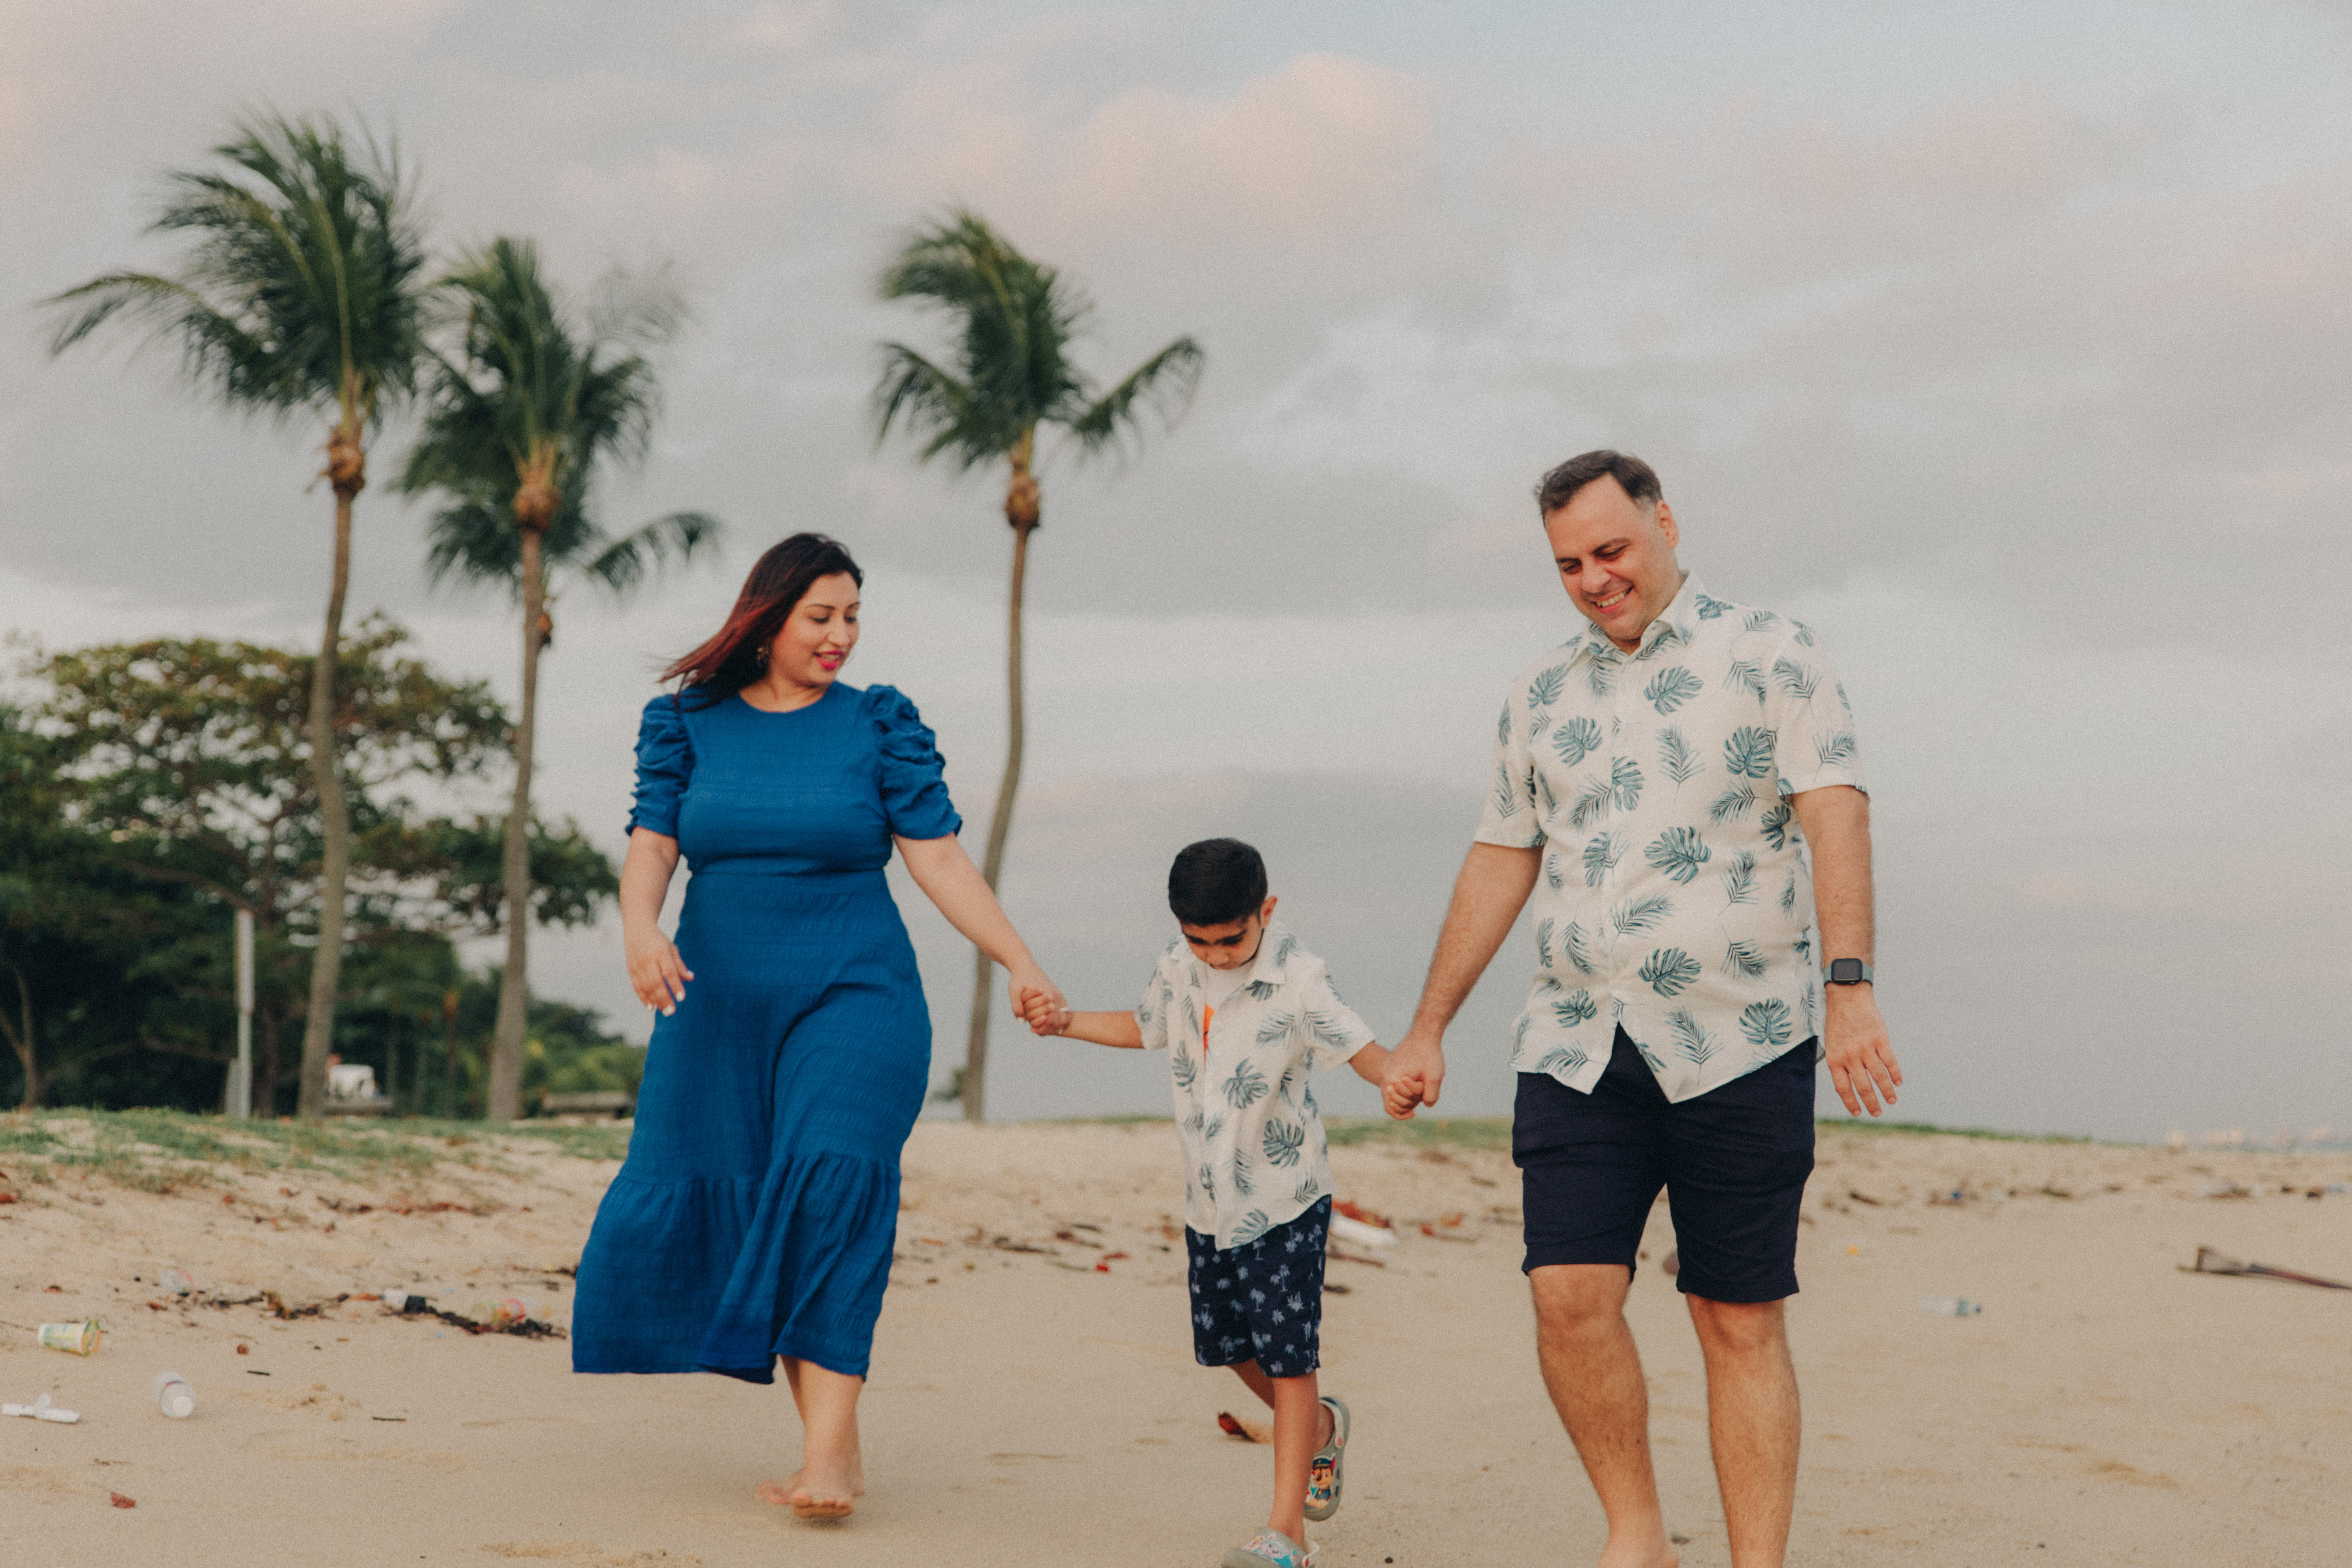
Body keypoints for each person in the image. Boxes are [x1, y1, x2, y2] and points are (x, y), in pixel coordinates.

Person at [1382, 451, 1900, 1568]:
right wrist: (1428, 1026)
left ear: (1665, 520)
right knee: (1567, 1296)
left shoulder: (1773, 652)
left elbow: (1835, 815)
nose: (1594, 579)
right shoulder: (1539, 694)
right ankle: (1638, 1537)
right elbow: (1499, 856)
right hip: (1577, 1043)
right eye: (1569, 564)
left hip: (1742, 1037)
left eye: (1610, 550)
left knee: (1735, 1317)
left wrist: (1850, 986)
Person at [572, 532, 1065, 1522]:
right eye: (821, 617)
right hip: (718, 1007)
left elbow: (938, 860)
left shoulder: (878, 726)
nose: (841, 636)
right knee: (766, 1201)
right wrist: (639, 928)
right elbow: (653, 845)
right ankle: (834, 1445)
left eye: (852, 618)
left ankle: (829, 1457)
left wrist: (1019, 958)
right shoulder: (686, 723)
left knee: (831, 1179)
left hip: (859, 995)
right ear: (767, 620)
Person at [1024, 838, 1410, 1568]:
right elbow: (1146, 1027)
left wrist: (1397, 1077)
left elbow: (1361, 1047)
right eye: (1199, 940)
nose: (1216, 955)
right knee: (1228, 1349)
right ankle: (1322, 1432)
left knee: (1290, 1360)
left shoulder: (1299, 977)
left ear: (1266, 911)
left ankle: (1287, 1533)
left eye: (1231, 940)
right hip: (1210, 1202)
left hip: (1286, 1200)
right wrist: (1064, 1020)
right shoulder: (1179, 966)